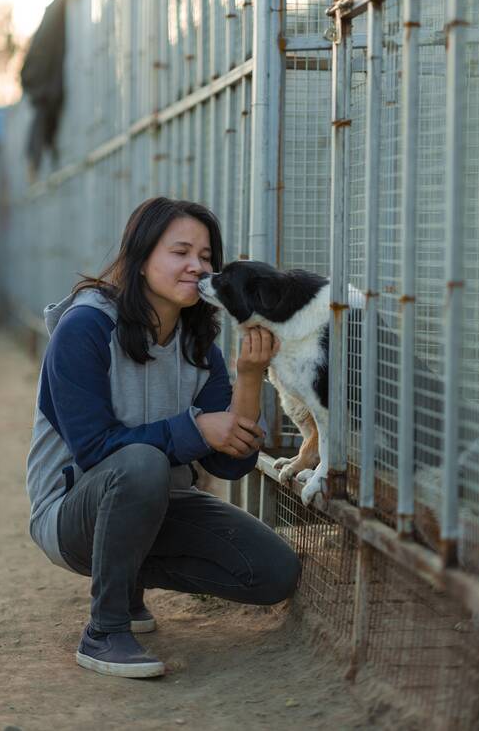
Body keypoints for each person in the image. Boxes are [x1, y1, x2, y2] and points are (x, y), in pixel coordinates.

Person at [26, 196, 301, 678]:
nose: (197, 266)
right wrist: (196, 429)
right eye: (180, 252)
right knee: (141, 462)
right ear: (140, 259)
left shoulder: (200, 346)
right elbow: (94, 449)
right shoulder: (85, 328)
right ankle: (106, 630)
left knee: (272, 571)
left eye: (207, 257)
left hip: (156, 504)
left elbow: (230, 465)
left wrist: (250, 377)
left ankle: (126, 576)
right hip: (72, 513)